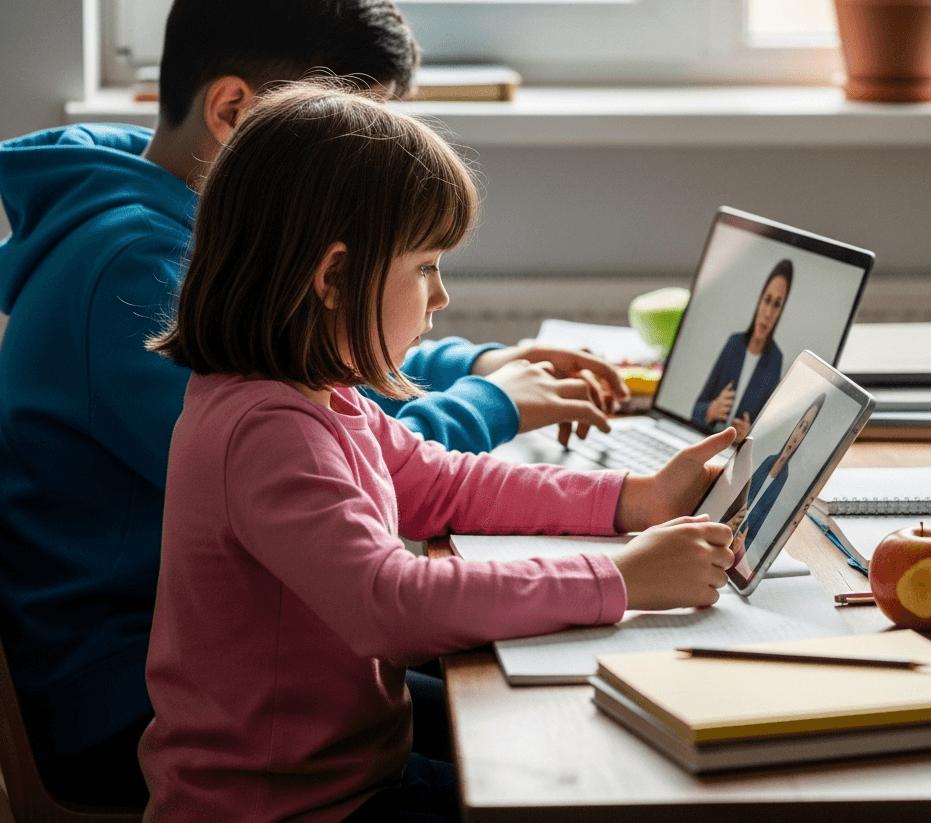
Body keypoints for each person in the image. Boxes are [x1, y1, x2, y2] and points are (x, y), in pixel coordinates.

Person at [0, 0, 626, 806]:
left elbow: (318, 364)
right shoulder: (131, 275)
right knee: (535, 721)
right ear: (234, 114)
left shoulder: (171, 214)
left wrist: (471, 359)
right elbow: (322, 446)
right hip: (143, 698)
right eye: (340, 143)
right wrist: (490, 404)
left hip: (250, 647)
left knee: (528, 692)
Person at [138, 81, 736, 822]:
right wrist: (622, 578)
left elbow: (438, 484)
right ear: (333, 278)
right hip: (288, 808)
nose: (440, 296)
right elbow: (389, 602)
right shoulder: (266, 431)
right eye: (425, 266)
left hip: (341, 768)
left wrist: (628, 501)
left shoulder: (320, 393)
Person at [691, 259, 794, 442]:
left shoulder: (775, 360)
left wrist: (750, 435)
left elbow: (767, 435)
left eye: (777, 305)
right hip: (706, 443)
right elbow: (696, 410)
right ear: (759, 302)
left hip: (735, 457)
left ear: (781, 311)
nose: (768, 313)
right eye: (767, 300)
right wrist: (710, 411)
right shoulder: (734, 343)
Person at [727, 393, 826, 567]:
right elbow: (736, 499)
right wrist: (731, 521)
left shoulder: (784, 479)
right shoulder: (766, 460)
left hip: (739, 553)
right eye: (800, 426)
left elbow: (760, 529)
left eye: (805, 430)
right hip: (724, 535)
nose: (798, 434)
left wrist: (742, 547)